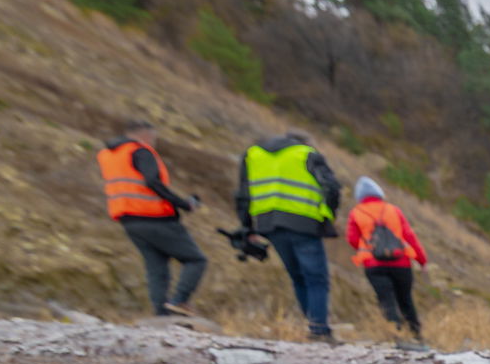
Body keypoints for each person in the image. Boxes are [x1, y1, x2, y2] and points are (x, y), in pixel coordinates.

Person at [234, 130, 343, 340]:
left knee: (298, 277)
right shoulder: (307, 154)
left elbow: (243, 195)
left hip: (269, 224)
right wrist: (327, 215)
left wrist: (247, 228)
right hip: (304, 223)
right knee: (316, 279)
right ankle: (319, 329)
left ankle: (312, 324)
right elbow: (332, 187)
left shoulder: (254, 155)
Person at [97, 121, 207, 320]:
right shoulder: (141, 151)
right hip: (156, 218)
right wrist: (183, 204)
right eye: (154, 138)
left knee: (156, 268)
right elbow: (152, 181)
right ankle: (179, 301)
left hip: (129, 221)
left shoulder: (109, 154)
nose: (154, 142)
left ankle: (161, 314)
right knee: (196, 260)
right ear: (145, 135)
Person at [344, 176, 429, 340]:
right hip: (401, 263)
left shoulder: (356, 213)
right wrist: (421, 260)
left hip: (374, 265)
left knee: (386, 299)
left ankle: (395, 333)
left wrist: (368, 248)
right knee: (405, 299)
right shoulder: (393, 210)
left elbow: (352, 239)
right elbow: (409, 236)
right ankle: (416, 334)